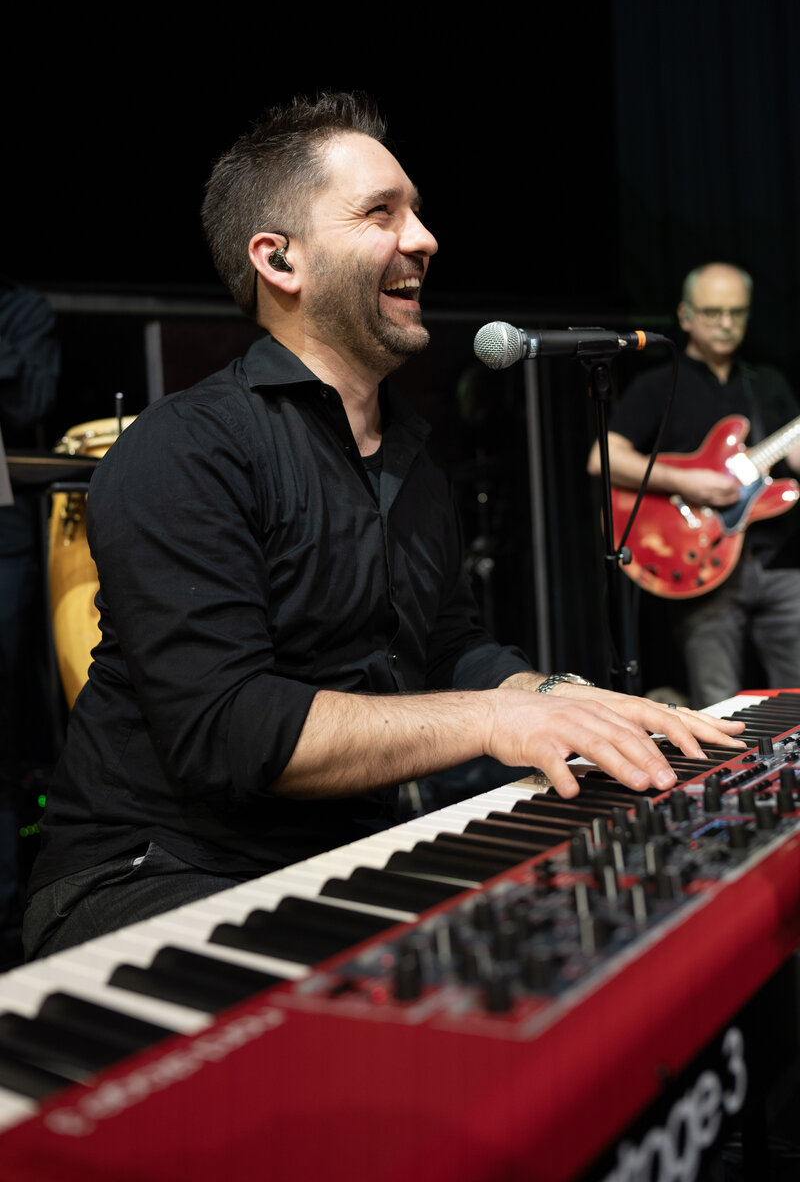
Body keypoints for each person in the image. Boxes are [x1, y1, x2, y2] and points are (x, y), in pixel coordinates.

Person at [22, 95, 744, 961]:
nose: (424, 238)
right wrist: (493, 719)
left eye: (418, 211)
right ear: (279, 259)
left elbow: (449, 649)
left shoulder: (413, 459)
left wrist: (556, 696)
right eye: (380, 213)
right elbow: (231, 727)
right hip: (152, 871)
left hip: (340, 860)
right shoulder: (186, 446)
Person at [587, 261, 800, 706]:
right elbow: (602, 458)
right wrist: (686, 482)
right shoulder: (657, 385)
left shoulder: (767, 383)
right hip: (703, 563)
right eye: (712, 312)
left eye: (736, 313)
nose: (726, 323)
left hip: (781, 563)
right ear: (685, 316)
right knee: (718, 705)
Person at [0, 276, 60, 967]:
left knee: (5, 715)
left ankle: (8, 908)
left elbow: (33, 401)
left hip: (5, 530)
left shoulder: (21, 311)